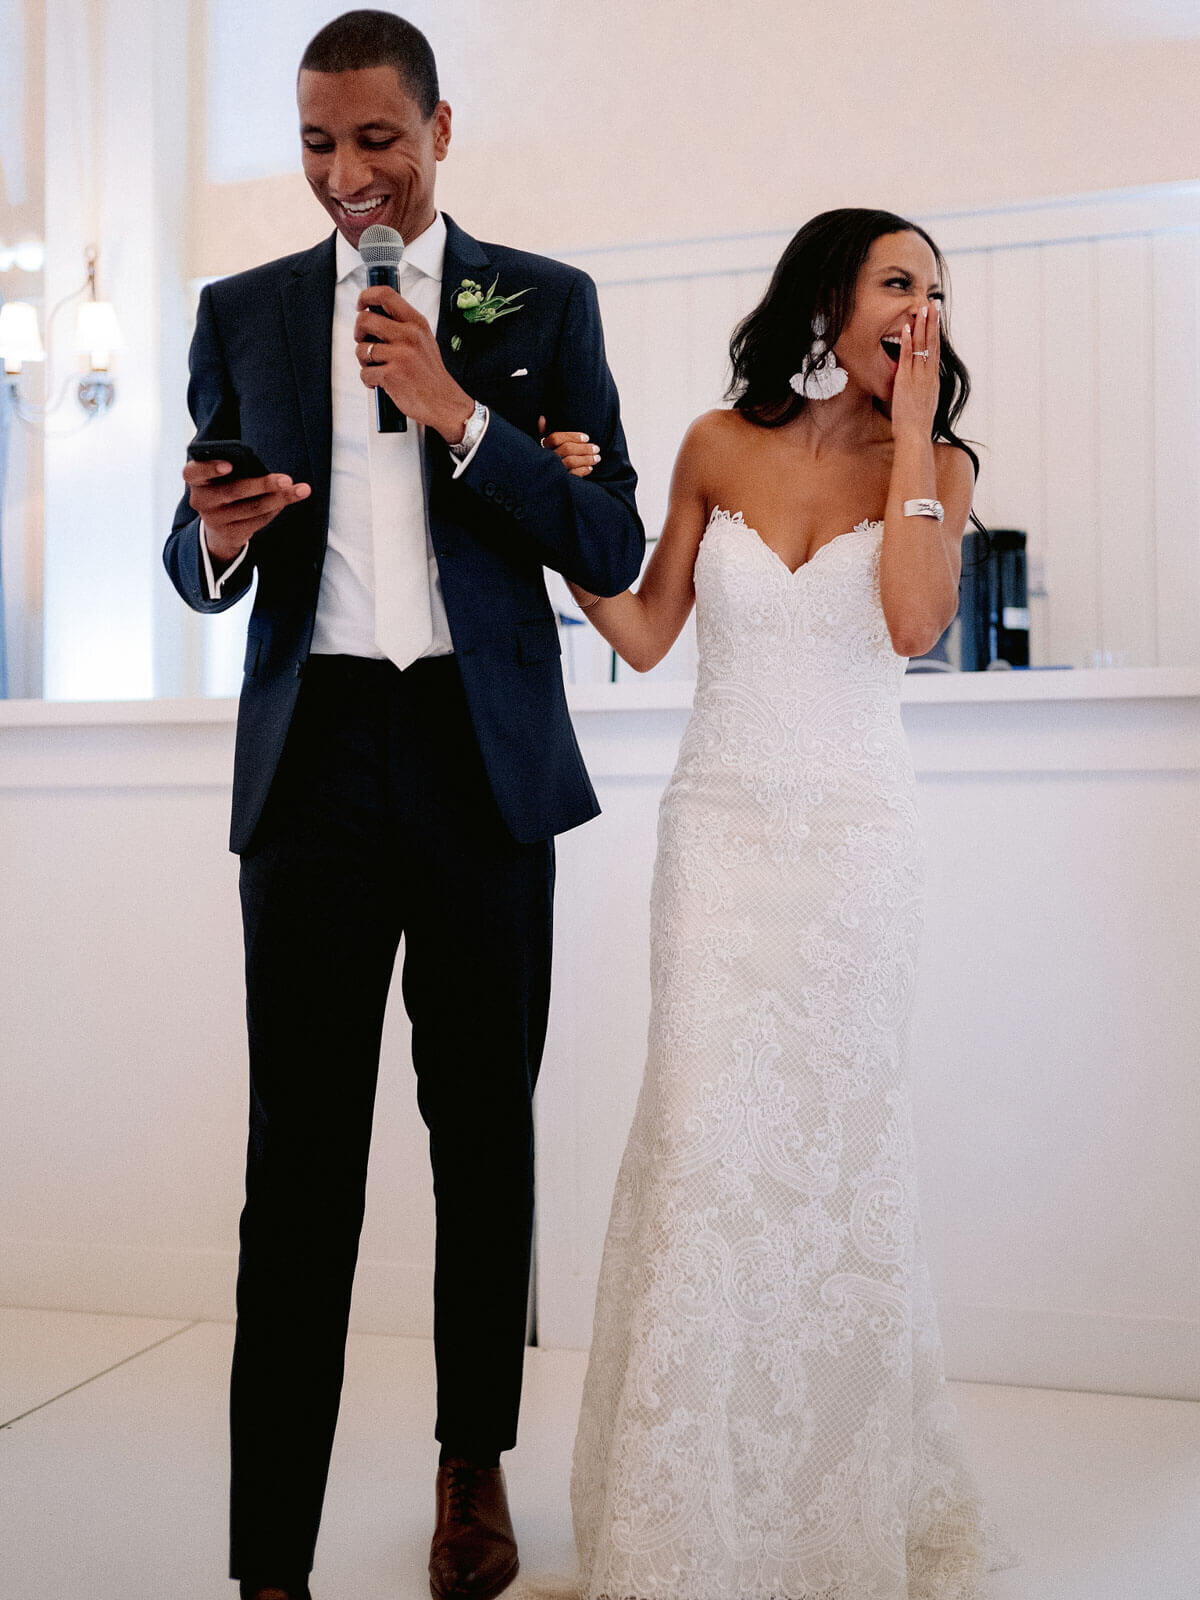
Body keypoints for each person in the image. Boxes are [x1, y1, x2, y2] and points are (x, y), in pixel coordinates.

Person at [162, 12, 643, 1600]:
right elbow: (196, 560)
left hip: (477, 761)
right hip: (311, 769)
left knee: (482, 1137)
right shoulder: (239, 313)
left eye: (376, 140)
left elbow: (611, 538)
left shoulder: (542, 304)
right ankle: (266, 1550)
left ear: (443, 127)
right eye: (316, 143)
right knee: (296, 1158)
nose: (345, 176)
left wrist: (461, 411)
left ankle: (471, 1470)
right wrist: (216, 534)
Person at [560, 210, 1014, 1598]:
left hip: (858, 858)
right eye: (897, 282)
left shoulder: (936, 466)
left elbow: (916, 623)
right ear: (831, 298)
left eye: (937, 291)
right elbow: (643, 635)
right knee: (706, 1155)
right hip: (720, 846)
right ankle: (677, 1520)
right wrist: (546, 507)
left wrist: (924, 438)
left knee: (836, 1163)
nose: (920, 307)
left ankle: (828, 1516)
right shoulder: (714, 444)